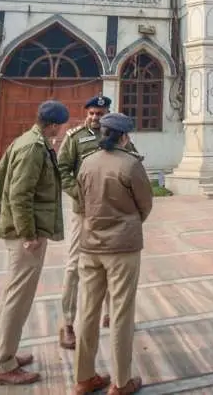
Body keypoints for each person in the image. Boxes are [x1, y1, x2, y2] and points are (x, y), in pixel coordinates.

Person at [0, 100, 70, 386]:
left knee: (11, 295)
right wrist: (28, 234)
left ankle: (1, 353)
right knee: (18, 298)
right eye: (62, 125)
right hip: (24, 236)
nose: (64, 131)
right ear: (53, 125)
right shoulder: (32, 148)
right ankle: (4, 364)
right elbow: (20, 195)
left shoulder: (31, 141)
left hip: (21, 231)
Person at [73, 112, 153, 395]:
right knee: (120, 312)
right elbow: (145, 203)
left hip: (90, 246)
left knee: (88, 311)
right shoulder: (130, 164)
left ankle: (83, 378)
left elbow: (80, 205)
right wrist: (127, 221)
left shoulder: (87, 163)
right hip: (122, 248)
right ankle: (121, 382)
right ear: (124, 136)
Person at [57, 94, 136, 349]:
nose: (94, 118)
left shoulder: (119, 137)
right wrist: (79, 194)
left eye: (99, 114)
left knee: (113, 263)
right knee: (74, 266)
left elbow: (133, 164)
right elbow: (63, 170)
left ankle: (111, 314)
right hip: (83, 212)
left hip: (111, 211)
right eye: (91, 113)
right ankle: (67, 323)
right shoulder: (75, 138)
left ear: (107, 115)